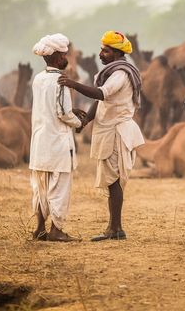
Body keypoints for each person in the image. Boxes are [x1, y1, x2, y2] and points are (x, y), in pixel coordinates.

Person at [58, 31, 144, 241]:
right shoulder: (113, 72)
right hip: (108, 130)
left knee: (114, 181)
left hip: (117, 130)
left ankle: (115, 229)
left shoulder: (120, 74)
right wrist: (86, 120)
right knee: (111, 180)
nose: (101, 54)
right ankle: (114, 228)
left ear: (116, 53)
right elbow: (101, 101)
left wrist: (73, 84)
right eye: (102, 49)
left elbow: (101, 94)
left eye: (105, 51)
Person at [30, 33, 86, 242]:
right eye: (64, 55)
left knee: (40, 187)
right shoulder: (61, 81)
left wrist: (73, 110)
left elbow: (51, 108)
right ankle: (56, 230)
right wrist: (80, 123)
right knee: (59, 188)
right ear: (55, 57)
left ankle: (39, 229)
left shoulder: (39, 78)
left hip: (39, 142)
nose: (67, 59)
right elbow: (63, 113)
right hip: (58, 144)